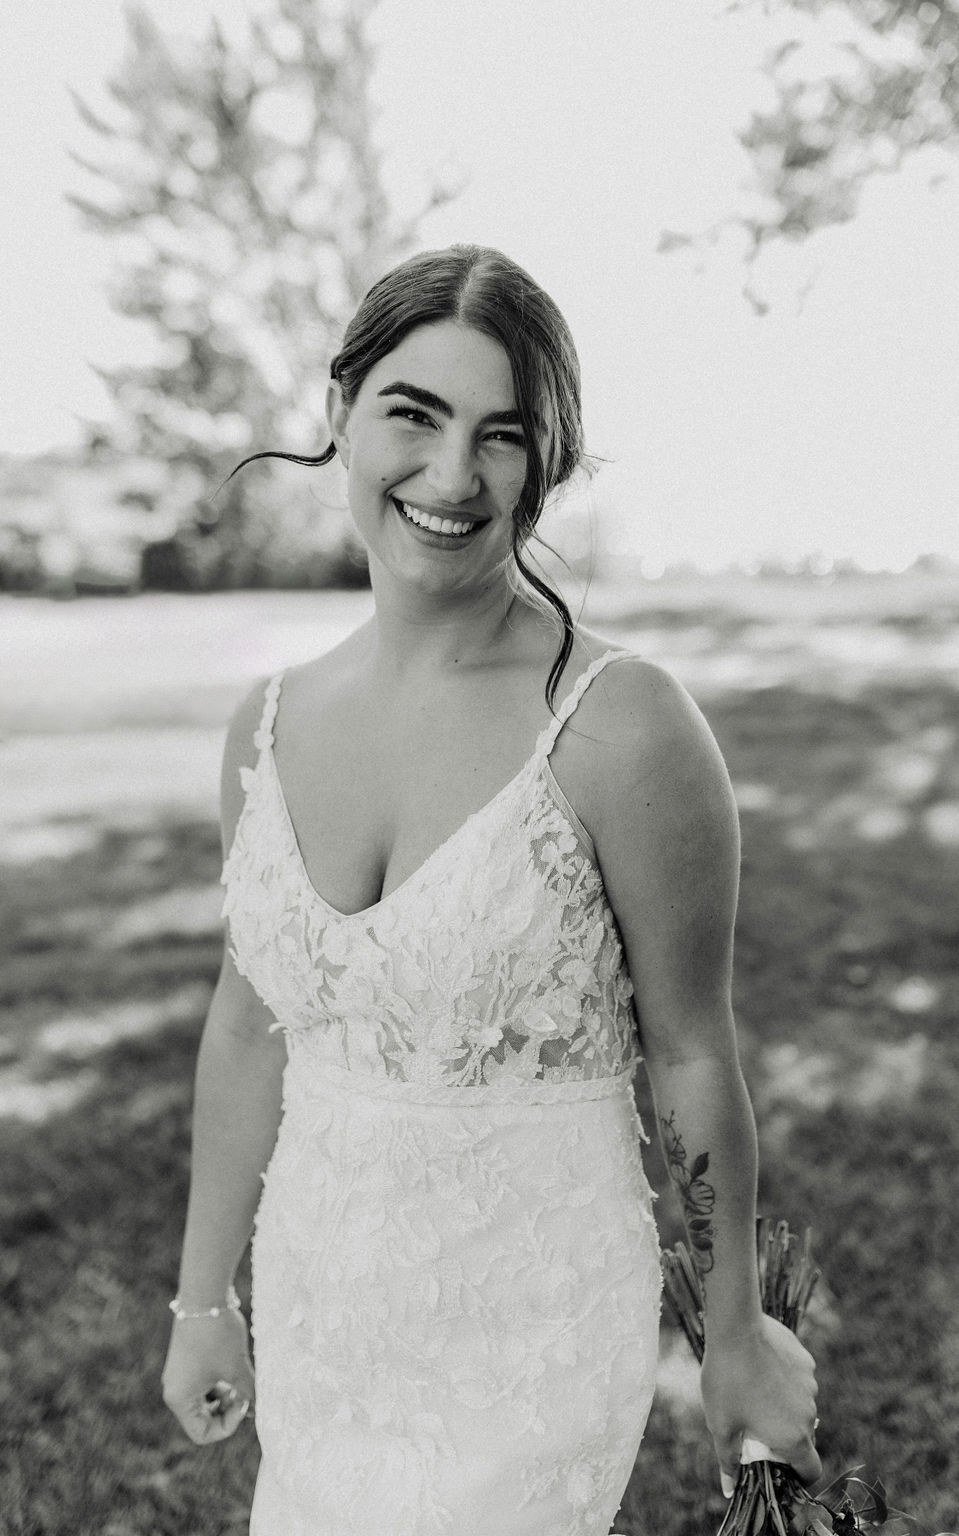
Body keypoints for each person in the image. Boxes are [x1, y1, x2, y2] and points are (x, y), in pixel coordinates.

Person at [161, 244, 819, 1536]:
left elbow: (692, 1052)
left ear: (546, 463)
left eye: (502, 436)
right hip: (322, 1306)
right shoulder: (267, 725)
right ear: (342, 410)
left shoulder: (622, 728)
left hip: (532, 1324)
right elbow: (247, 1029)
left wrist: (735, 1331)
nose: (454, 476)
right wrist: (203, 1301)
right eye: (414, 413)